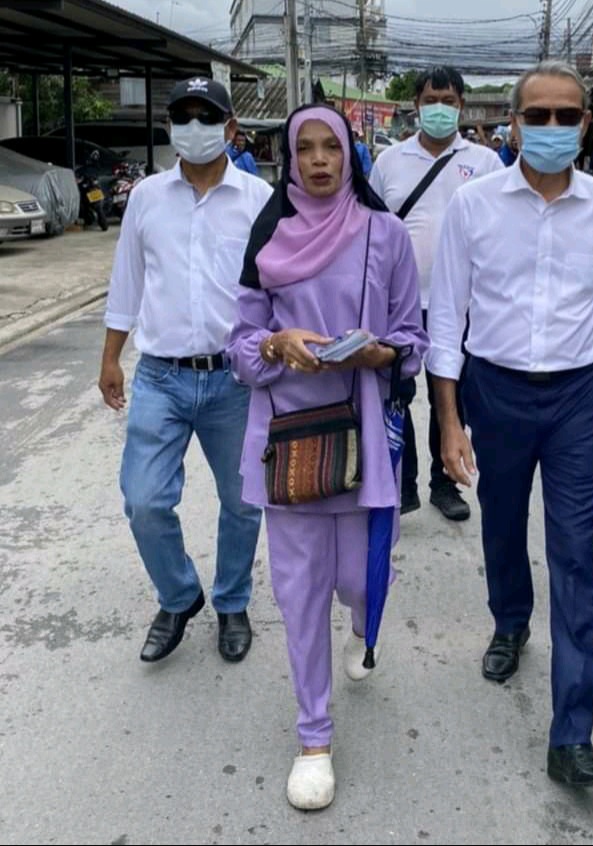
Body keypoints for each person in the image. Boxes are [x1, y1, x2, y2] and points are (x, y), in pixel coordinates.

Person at [427, 60, 593, 789]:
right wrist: (450, 422)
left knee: (575, 555)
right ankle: (510, 620)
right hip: (497, 390)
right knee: (502, 521)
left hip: (580, 394)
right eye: (537, 116)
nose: (552, 129)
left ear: (587, 124)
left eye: (567, 117)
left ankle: (571, 734)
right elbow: (447, 318)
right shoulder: (474, 205)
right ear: (513, 123)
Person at [227, 104, 428, 811]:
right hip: (288, 439)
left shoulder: (386, 234)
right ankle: (314, 737)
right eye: (304, 149)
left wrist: (382, 353)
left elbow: (413, 337)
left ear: (350, 157)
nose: (318, 161)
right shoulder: (268, 239)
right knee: (300, 593)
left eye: (330, 149)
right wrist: (278, 346)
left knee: (361, 586)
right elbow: (240, 347)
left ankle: (361, 628)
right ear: (289, 158)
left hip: (366, 433)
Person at [98, 77, 273, 664]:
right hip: (161, 377)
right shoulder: (147, 197)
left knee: (244, 501)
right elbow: (128, 279)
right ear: (170, 125)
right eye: (183, 115)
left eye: (207, 116)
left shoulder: (257, 198)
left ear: (229, 128)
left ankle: (231, 602)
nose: (193, 127)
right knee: (144, 500)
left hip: (234, 380)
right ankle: (179, 595)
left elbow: (277, 286)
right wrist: (110, 357)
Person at [370, 65, 502, 521]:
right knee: (397, 392)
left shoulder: (485, 163)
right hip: (400, 302)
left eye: (449, 101)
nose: (440, 109)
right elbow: (371, 229)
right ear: (416, 106)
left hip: (463, 304)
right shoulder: (389, 162)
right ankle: (402, 482)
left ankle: (444, 484)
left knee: (452, 394)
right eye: (432, 100)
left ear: (461, 106)